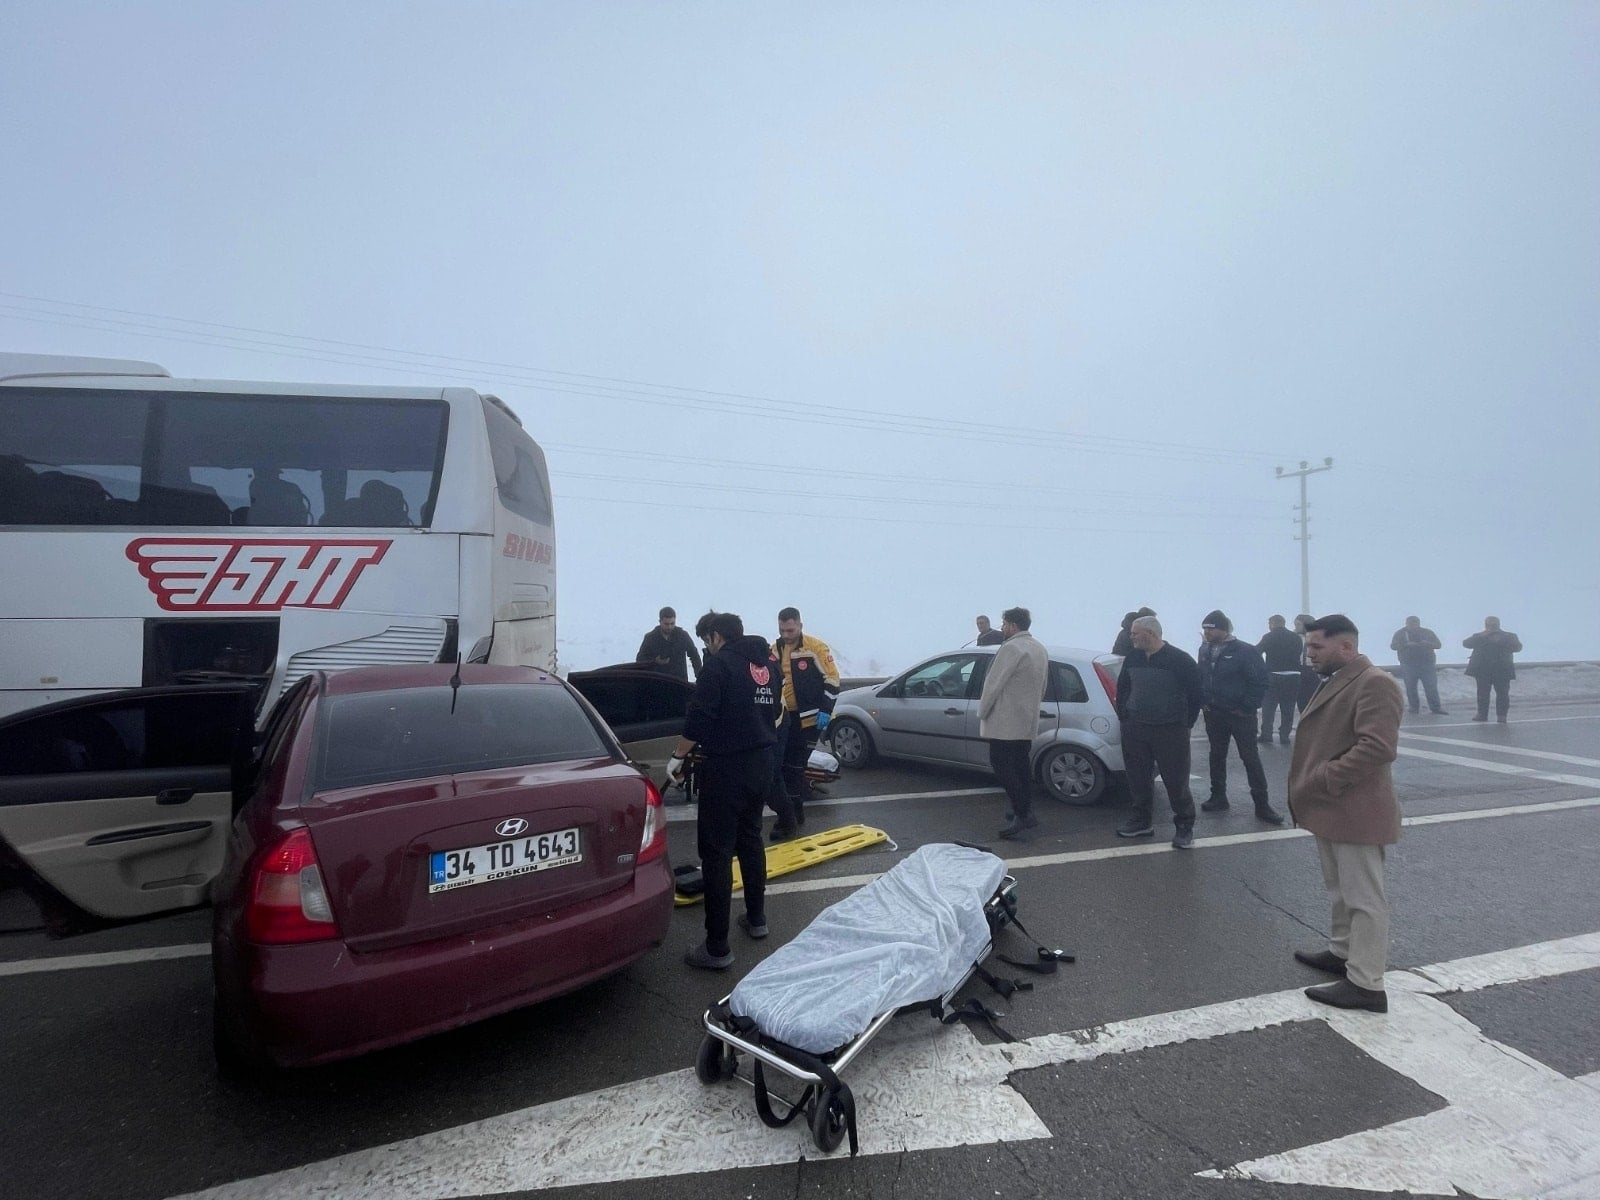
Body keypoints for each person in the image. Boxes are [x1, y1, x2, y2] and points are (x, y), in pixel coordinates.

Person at [1287, 613, 1403, 1013]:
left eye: (1317, 647)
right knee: (1340, 890)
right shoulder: (1338, 679)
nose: (1309, 654)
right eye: (1308, 647)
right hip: (1333, 807)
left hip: (1355, 808)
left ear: (1346, 647)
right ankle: (1342, 952)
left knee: (1364, 899)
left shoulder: (1375, 683)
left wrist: (1325, 777)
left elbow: (1378, 747)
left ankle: (1367, 985)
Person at [667, 612, 782, 970]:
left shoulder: (719, 667)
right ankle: (757, 918)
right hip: (761, 765)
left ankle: (717, 947)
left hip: (727, 769)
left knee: (716, 853)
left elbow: (699, 718)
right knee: (750, 840)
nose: (706, 646)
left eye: (706, 640)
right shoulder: (767, 666)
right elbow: (774, 711)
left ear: (716, 636)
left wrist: (677, 757)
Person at [1114, 615, 1203, 848]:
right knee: (1138, 779)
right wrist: (1125, 716)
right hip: (1136, 728)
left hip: (1170, 731)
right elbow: (1123, 687)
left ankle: (1184, 827)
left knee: (1176, 781)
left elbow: (1196, 694)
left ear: (1151, 634)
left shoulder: (1180, 660)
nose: (1131, 636)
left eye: (1135, 633)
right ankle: (1141, 822)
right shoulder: (1133, 657)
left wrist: (1185, 723)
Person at [1197, 611, 1283, 825]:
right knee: (1216, 755)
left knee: (1250, 758)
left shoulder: (1245, 651)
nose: (1207, 632)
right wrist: (1204, 701)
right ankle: (1218, 796)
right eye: (1205, 628)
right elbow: (1203, 676)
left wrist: (1246, 707)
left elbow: (1260, 680)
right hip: (1214, 713)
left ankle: (1262, 804)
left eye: (1211, 628)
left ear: (1224, 629)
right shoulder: (1204, 649)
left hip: (1240, 715)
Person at [976, 607, 1049, 840]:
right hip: (1026, 718)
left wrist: (982, 711)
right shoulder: (1038, 647)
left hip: (1005, 720)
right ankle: (1025, 809)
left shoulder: (1011, 648)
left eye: (1004, 623)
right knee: (1021, 766)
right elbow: (1043, 685)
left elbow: (993, 684)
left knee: (1002, 765)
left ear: (1013, 626)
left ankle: (1022, 812)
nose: (1002, 627)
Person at [775, 607, 840, 825]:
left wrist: (826, 710)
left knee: (795, 767)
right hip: (783, 718)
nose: (786, 635)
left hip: (809, 719)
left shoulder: (815, 648)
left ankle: (791, 817)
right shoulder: (774, 649)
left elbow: (832, 679)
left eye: (790, 630)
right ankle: (793, 813)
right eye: (782, 630)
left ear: (800, 626)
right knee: (782, 767)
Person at [1463, 616, 1523, 723]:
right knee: (1482, 694)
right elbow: (1466, 644)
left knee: (1503, 693)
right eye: (1488, 624)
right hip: (1483, 670)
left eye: (1493, 624)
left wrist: (1502, 639)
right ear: (1485, 625)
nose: (1491, 627)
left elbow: (1518, 647)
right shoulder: (1479, 636)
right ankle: (1482, 714)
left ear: (1498, 625)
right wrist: (1483, 635)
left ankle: (1502, 715)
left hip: (1502, 669)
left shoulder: (1509, 636)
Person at [1257, 614, 1304, 745]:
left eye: (1269, 624)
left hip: (1274, 675)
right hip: (1294, 676)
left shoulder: (1269, 637)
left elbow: (1257, 651)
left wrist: (1262, 668)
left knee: (1269, 707)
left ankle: (1267, 734)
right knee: (1288, 707)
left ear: (1272, 623)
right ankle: (1284, 735)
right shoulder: (1295, 637)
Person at [1389, 616, 1446, 715]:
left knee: (1431, 686)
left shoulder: (1427, 632)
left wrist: (1427, 643)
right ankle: (1413, 707)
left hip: (1427, 664)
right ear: (1406, 623)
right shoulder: (1400, 633)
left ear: (1419, 623)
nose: (1413, 625)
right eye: (1411, 623)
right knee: (1411, 687)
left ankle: (1436, 708)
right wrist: (1406, 645)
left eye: (1415, 623)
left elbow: (1438, 645)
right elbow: (1393, 646)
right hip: (1408, 664)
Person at [636, 607, 702, 681]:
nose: (669, 627)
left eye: (672, 623)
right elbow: (640, 659)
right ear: (660, 621)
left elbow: (694, 656)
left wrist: (700, 677)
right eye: (666, 624)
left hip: (679, 681)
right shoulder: (650, 638)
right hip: (657, 681)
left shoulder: (682, 636)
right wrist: (655, 661)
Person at [1293, 614, 1320, 712]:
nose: (1296, 627)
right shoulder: (1294, 637)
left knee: (1314, 697)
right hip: (1300, 669)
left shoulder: (1318, 636)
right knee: (1301, 698)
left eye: (1298, 625)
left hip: (1314, 669)